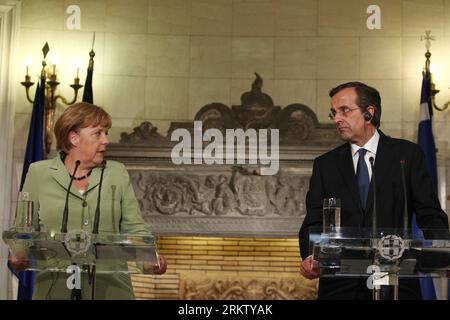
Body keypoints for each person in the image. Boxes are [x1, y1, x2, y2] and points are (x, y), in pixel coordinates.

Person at [298, 82, 449, 300]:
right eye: (334, 113)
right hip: (340, 285)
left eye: (344, 110)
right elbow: (313, 219)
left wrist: (442, 251)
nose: (337, 119)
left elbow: (430, 213)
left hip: (395, 279)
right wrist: (310, 257)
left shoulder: (406, 156)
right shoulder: (326, 164)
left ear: (369, 113)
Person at [8, 102, 167, 300]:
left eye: (106, 133)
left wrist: (148, 259)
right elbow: (23, 227)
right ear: (74, 138)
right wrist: (19, 255)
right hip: (55, 288)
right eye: (98, 133)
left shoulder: (116, 173)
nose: (106, 141)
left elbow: (134, 227)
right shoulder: (39, 172)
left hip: (111, 290)